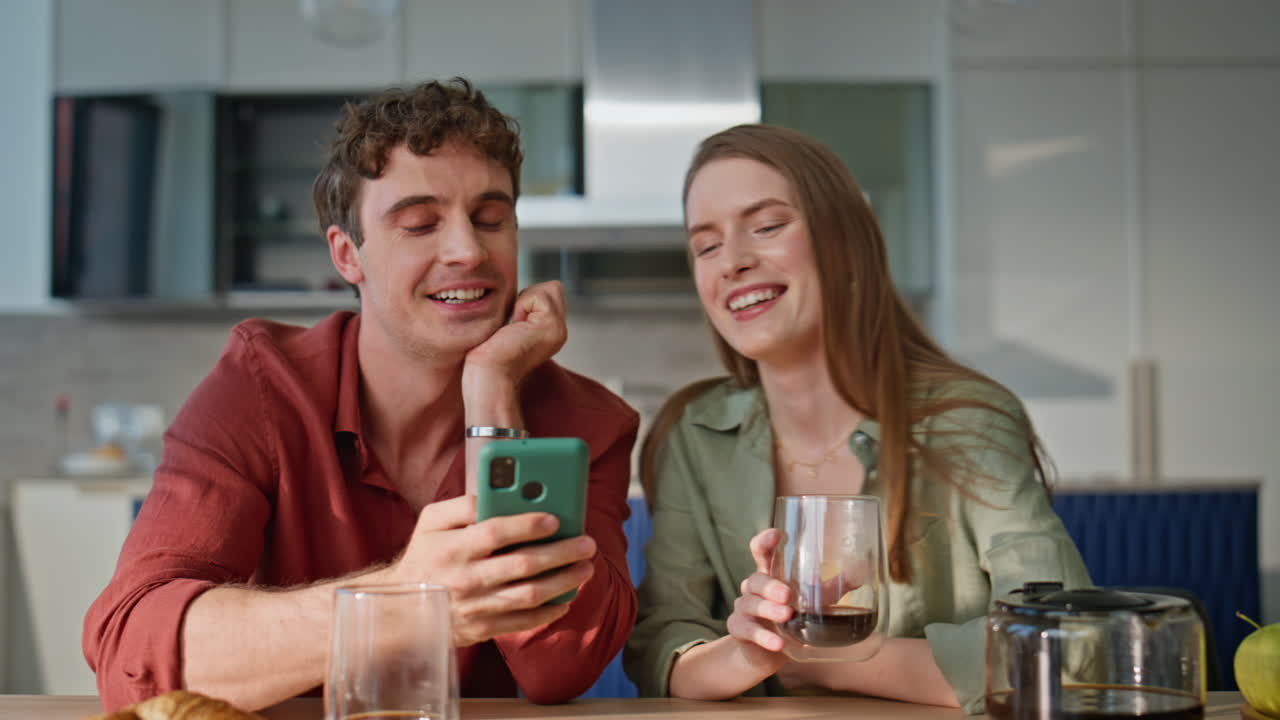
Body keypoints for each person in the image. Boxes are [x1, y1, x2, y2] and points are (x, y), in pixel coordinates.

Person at [84, 79, 639, 712]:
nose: (467, 250)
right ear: (348, 255)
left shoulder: (587, 424)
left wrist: (492, 395)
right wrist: (411, 595)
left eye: (491, 218)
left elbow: (558, 665)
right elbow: (134, 655)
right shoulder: (262, 388)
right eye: (420, 224)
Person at [622, 124, 1090, 714]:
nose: (733, 261)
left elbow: (1063, 645)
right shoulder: (694, 434)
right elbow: (661, 647)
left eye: (767, 226)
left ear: (844, 241)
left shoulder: (969, 421)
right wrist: (746, 654)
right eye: (706, 246)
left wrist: (837, 659)